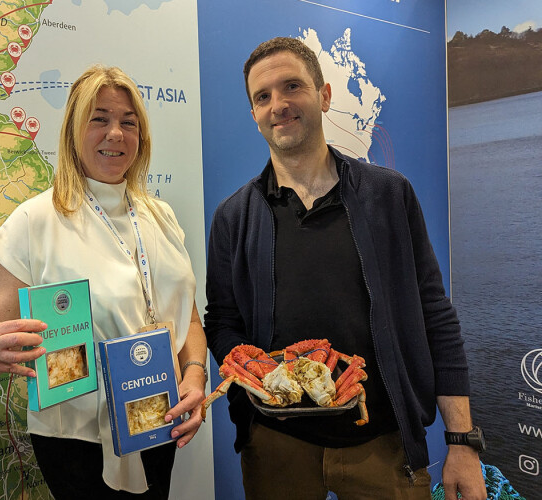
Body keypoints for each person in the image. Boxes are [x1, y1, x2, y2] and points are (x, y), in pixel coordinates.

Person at [203, 37, 487, 500]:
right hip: (276, 447)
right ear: (254, 114)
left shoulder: (390, 195)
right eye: (263, 96)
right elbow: (222, 321)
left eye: (292, 86)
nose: (278, 105)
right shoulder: (232, 217)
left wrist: (462, 441)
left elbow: (434, 314)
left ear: (325, 95)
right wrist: (256, 375)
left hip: (385, 445)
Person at [0, 65, 207, 499]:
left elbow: (191, 322)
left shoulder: (161, 217)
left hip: (157, 420)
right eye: (99, 119)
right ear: (73, 130)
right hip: (76, 442)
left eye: (129, 122)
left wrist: (195, 376)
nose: (116, 133)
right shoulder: (35, 221)